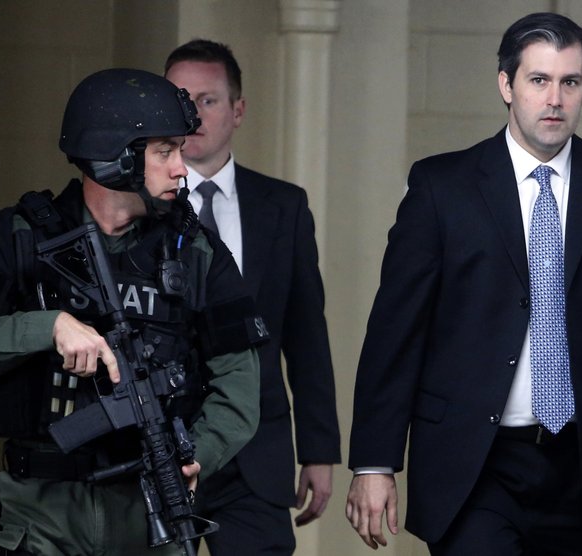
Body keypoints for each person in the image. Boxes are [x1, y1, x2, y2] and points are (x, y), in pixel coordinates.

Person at [345, 12, 582, 556]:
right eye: (538, 80)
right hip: (474, 464)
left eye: (570, 82)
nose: (554, 98)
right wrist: (375, 461)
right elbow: (397, 330)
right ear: (507, 85)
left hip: (578, 466)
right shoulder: (443, 188)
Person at [0, 68, 263, 556]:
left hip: (149, 512)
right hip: (42, 514)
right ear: (116, 158)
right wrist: (48, 328)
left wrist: (194, 459)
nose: (181, 168)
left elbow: (240, 388)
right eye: (164, 152)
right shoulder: (22, 235)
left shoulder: (195, 252)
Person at [163, 39, 341, 554]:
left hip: (256, 456)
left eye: (208, 99)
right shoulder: (140, 204)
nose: (191, 112)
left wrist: (318, 450)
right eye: (179, 97)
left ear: (238, 110)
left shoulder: (283, 207)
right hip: (163, 450)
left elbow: (307, 336)